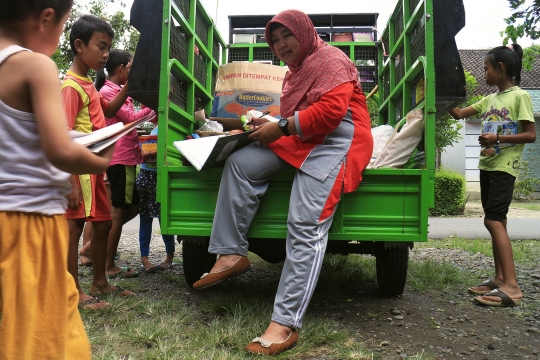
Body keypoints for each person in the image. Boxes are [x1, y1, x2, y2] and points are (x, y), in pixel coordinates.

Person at [192, 10, 373, 355]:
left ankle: (284, 323)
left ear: (304, 33)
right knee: (240, 162)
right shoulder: (295, 72)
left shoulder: (331, 59)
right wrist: (270, 122)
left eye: (286, 36)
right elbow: (299, 117)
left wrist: (283, 126)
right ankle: (230, 253)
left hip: (338, 139)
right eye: (274, 40)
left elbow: (332, 114)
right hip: (305, 134)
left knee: (304, 224)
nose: (280, 45)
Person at [0, 1, 114, 357]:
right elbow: (59, 149)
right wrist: (102, 155)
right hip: (28, 221)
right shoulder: (36, 65)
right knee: (41, 331)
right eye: (64, 26)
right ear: (46, 18)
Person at [449, 44, 536, 307]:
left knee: (493, 221)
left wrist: (497, 136)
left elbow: (531, 134)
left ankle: (513, 288)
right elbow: (458, 113)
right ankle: (499, 278)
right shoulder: (489, 100)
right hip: (487, 166)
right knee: (498, 221)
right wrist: (451, 92)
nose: (484, 73)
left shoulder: (520, 96)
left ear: (500, 69)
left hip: (504, 167)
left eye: (486, 69)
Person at [62, 15, 136, 309]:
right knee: (75, 228)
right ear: (80, 45)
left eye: (108, 48)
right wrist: (70, 183)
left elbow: (109, 109)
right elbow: (64, 136)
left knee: (103, 224)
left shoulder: (90, 84)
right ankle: (73, 291)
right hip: (79, 171)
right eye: (101, 47)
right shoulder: (70, 86)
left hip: (96, 169)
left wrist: (130, 85)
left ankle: (100, 283)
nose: (106, 54)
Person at [95, 48, 156, 276]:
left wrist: (150, 110)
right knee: (119, 212)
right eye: (131, 67)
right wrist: (153, 107)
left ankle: (95, 249)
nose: (133, 71)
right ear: (121, 69)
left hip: (126, 157)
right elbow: (130, 119)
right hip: (120, 158)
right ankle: (108, 265)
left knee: (130, 207)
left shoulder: (117, 91)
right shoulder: (109, 92)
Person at [136, 125, 176, 272]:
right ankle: (144, 257)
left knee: (163, 218)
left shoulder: (166, 125)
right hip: (146, 175)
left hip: (159, 176)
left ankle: (169, 254)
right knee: (145, 218)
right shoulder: (155, 128)